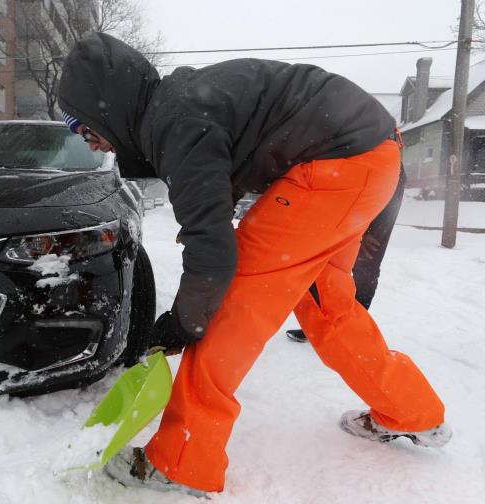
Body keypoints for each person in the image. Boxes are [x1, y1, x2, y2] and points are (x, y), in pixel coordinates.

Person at [58, 32, 450, 496]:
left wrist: (183, 323)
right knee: (327, 304)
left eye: (86, 130)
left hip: (336, 168)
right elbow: (223, 181)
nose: (95, 146)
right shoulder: (180, 105)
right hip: (371, 160)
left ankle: (182, 461)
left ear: (108, 109)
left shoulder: (175, 121)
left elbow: (213, 258)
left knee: (228, 312)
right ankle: (412, 412)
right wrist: (208, 233)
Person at [286, 166, 407, 343]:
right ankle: (320, 324)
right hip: (345, 178)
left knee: (366, 262)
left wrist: (366, 228)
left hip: (384, 177)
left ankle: (351, 329)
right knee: (325, 260)